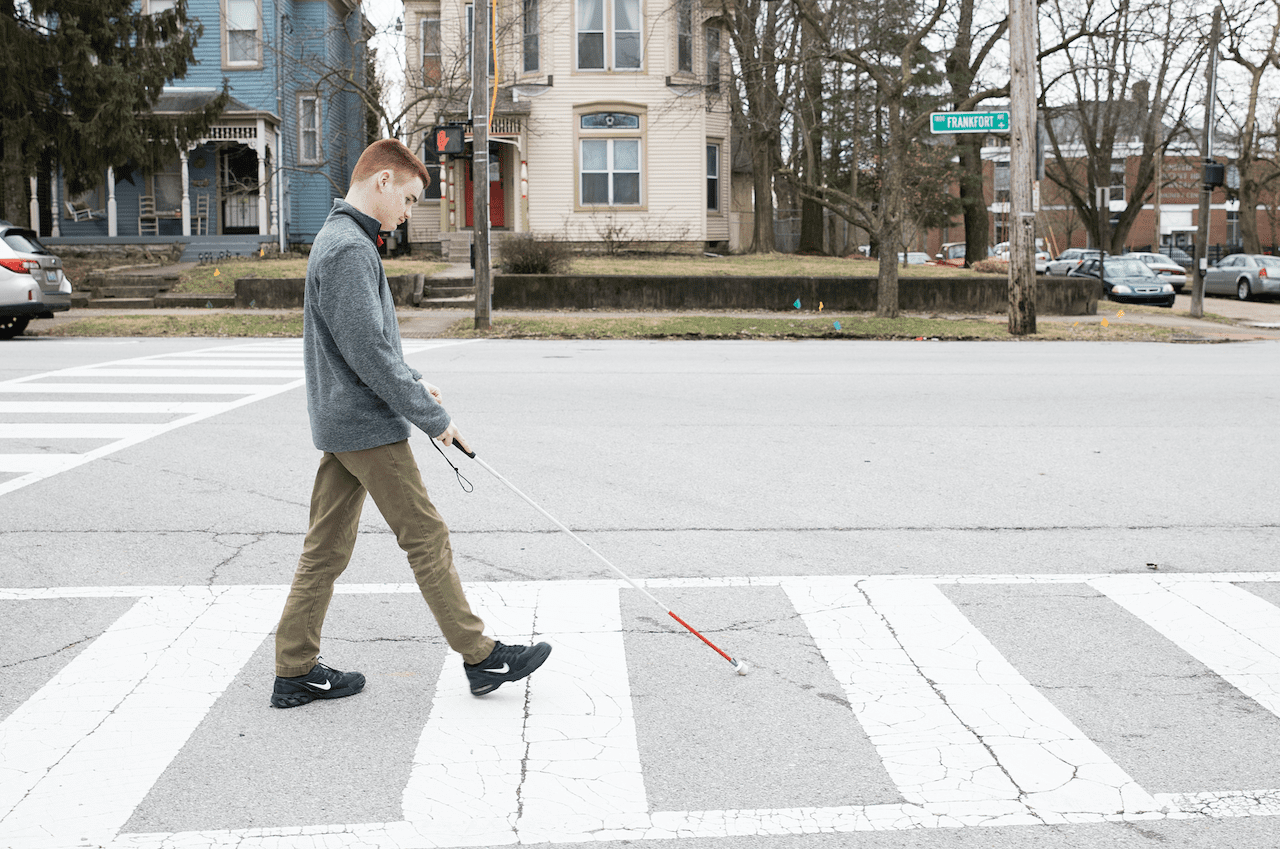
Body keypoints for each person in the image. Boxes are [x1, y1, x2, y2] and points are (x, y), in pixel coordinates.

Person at [271, 139, 550, 709]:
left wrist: (415, 382)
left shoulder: (340, 239)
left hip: (345, 422)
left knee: (325, 550)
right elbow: (369, 354)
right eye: (410, 198)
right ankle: (481, 657)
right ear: (382, 182)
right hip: (366, 425)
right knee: (425, 536)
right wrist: (434, 418)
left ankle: (295, 668)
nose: (408, 213)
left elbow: (365, 348)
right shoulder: (349, 249)